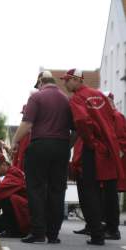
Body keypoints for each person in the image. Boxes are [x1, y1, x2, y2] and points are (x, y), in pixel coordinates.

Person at [61, 69, 124, 245]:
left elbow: (82, 122)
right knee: (108, 190)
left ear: (75, 79)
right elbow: (112, 118)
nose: (65, 84)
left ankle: (97, 234)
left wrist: (91, 143)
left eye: (67, 81)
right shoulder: (99, 95)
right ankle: (107, 229)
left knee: (91, 191)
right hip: (109, 148)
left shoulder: (77, 98)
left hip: (94, 149)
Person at [12, 70, 73, 244]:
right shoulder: (65, 99)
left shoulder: (36, 97)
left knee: (36, 189)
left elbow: (27, 123)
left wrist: (15, 141)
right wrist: (68, 146)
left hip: (40, 146)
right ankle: (53, 234)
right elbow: (75, 128)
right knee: (57, 189)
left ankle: (38, 233)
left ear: (40, 83)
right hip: (61, 146)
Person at [0, 153, 30, 237]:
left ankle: (15, 231)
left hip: (26, 213)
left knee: (8, 199)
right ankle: (12, 229)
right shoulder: (11, 174)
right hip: (22, 211)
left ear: (3, 164)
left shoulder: (14, 174)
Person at [12, 105, 30, 171]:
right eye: (23, 114)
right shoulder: (21, 131)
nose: (23, 116)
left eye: (24, 114)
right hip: (20, 166)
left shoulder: (33, 133)